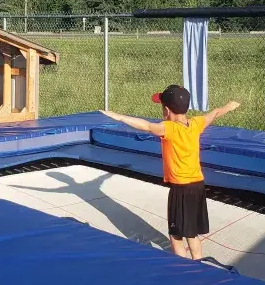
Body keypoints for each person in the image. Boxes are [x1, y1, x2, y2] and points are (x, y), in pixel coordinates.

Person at [101, 85, 240, 259]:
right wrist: (229, 105)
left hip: (180, 189)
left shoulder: (169, 129)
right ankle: (198, 262)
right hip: (197, 187)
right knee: (191, 232)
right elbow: (214, 113)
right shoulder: (196, 124)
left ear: (166, 110)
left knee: (175, 235)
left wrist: (119, 116)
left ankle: (182, 268)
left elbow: (146, 126)